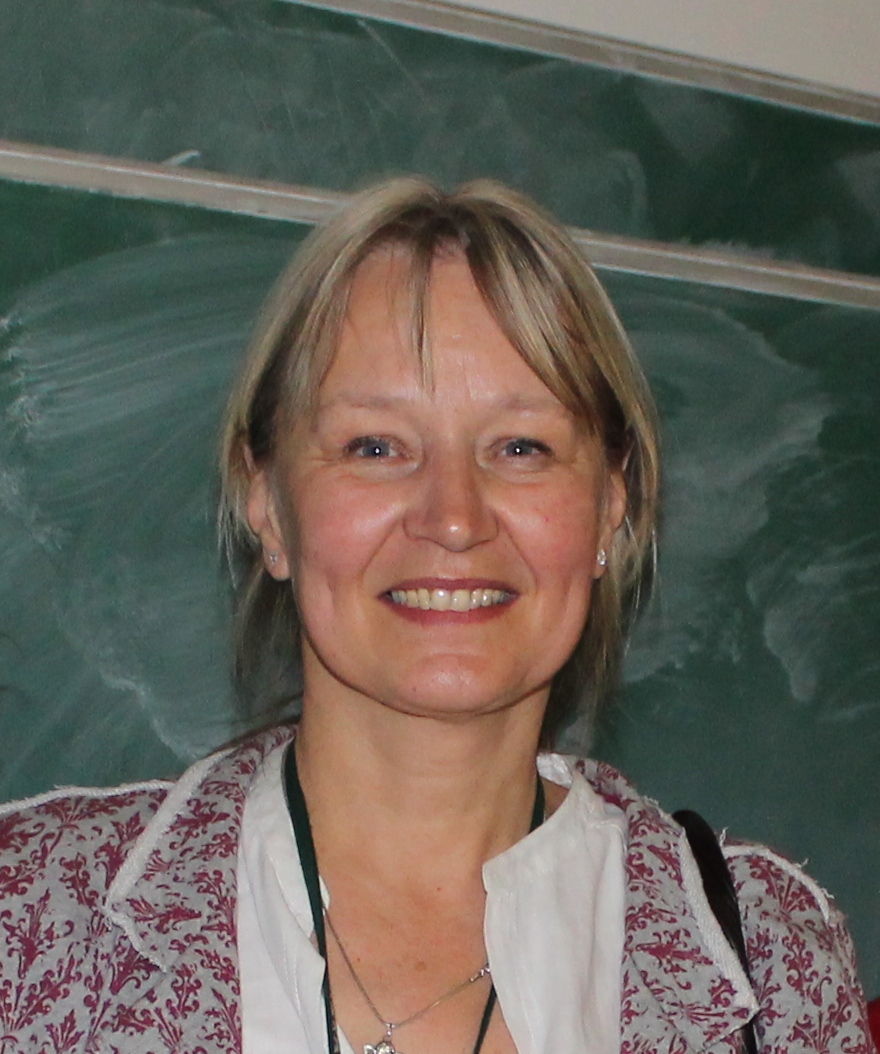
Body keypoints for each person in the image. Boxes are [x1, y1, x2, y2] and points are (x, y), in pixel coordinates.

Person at [0, 178, 874, 1054]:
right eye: (376, 446)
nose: (454, 517)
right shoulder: (32, 918)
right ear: (267, 504)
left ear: (612, 507)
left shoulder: (773, 964)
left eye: (521, 447)